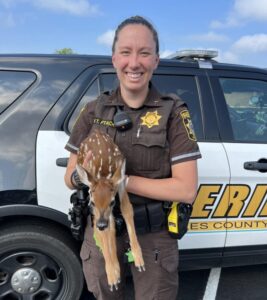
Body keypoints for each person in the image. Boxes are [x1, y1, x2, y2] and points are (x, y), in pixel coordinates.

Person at [64, 15, 201, 300]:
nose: (134, 63)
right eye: (126, 52)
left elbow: (186, 190)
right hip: (101, 229)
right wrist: (84, 176)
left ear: (156, 61)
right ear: (114, 59)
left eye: (144, 53)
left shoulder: (173, 111)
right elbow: (70, 178)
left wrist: (119, 181)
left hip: (152, 237)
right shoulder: (93, 111)